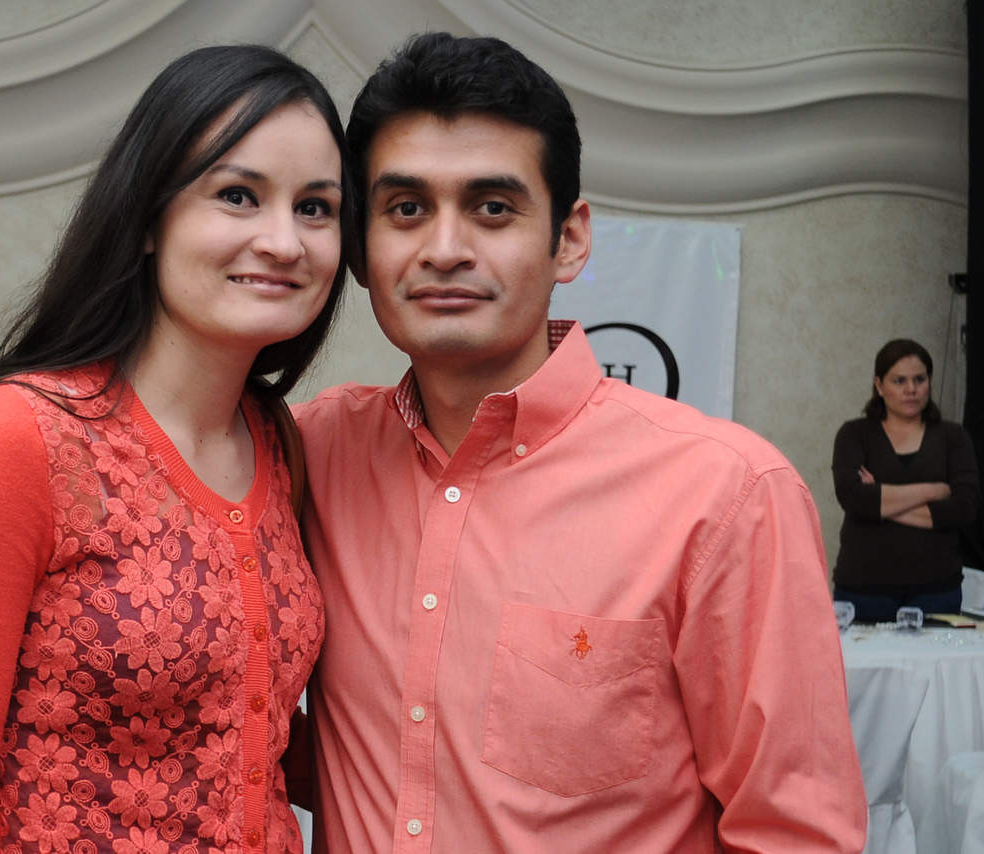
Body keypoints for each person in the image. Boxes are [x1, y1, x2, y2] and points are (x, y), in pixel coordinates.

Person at [293, 32, 866, 853]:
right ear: (360, 246)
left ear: (569, 239)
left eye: (493, 208)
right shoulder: (312, 455)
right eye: (406, 208)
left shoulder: (726, 495)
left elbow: (795, 834)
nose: (444, 249)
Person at [0, 45, 352, 853]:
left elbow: (247, 740)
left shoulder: (280, 444)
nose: (285, 241)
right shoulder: (25, 437)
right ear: (148, 218)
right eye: (239, 195)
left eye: (316, 207)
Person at [831, 338, 980, 622]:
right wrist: (934, 490)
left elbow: (964, 509)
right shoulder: (854, 434)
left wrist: (880, 499)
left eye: (919, 379)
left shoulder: (953, 437)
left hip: (937, 588)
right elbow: (854, 499)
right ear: (879, 385)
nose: (911, 389)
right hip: (863, 589)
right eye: (899, 381)